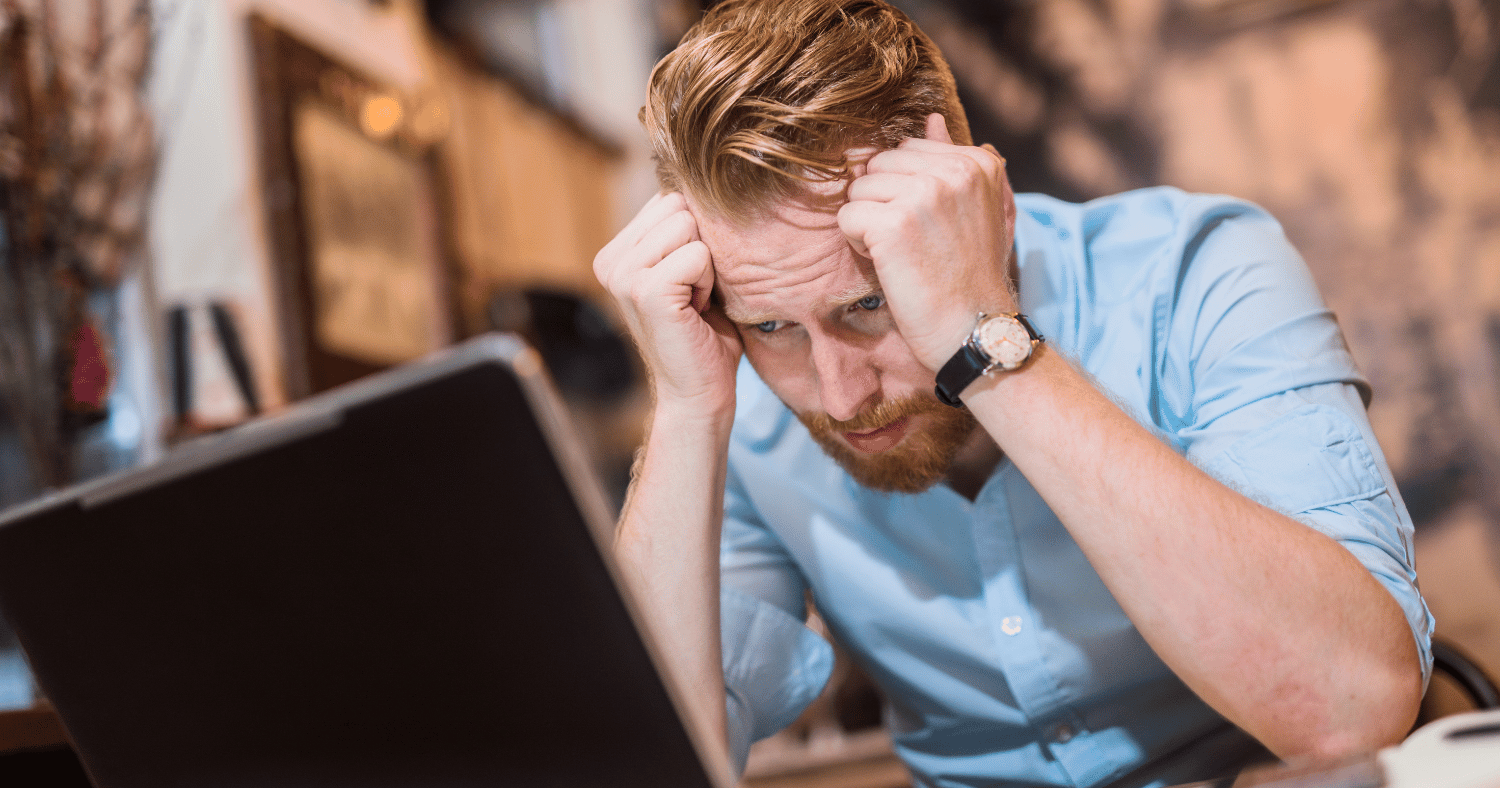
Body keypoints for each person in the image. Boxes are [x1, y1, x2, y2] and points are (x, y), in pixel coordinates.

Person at [593, 1, 1434, 785]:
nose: (841, 397)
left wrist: (983, 337)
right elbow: (635, 768)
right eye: (770, 328)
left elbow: (1351, 712)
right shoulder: (734, 408)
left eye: (868, 306)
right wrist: (684, 412)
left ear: (986, 212)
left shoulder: (1197, 272)